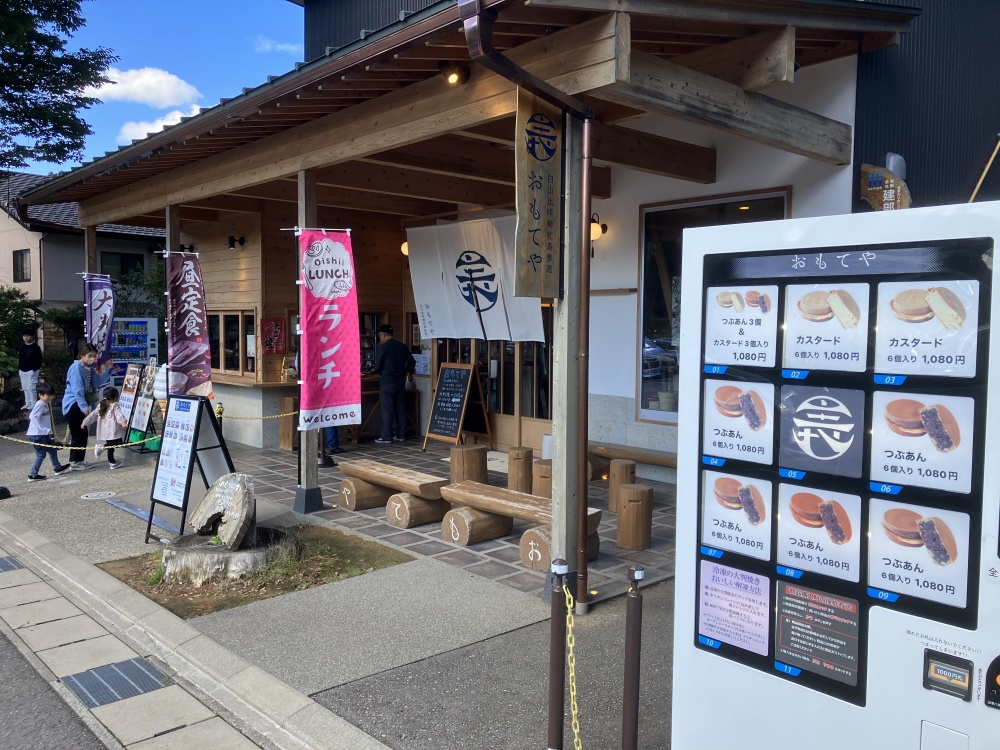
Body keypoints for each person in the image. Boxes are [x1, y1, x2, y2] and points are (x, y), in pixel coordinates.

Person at [62, 343, 107, 470]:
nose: (92, 359)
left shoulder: (89, 368)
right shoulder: (76, 368)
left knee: (82, 433)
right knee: (78, 433)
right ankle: (75, 462)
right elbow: (77, 390)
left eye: (94, 356)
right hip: (74, 404)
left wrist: (107, 369)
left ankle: (78, 460)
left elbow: (98, 382)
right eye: (89, 356)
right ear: (81, 355)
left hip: (81, 403)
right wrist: (84, 407)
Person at [374, 324, 415, 444]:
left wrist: (380, 372)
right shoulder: (402, 346)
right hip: (400, 381)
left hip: (387, 382)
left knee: (387, 410)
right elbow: (412, 361)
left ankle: (386, 436)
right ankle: (401, 435)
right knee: (400, 408)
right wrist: (408, 371)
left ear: (382, 335)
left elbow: (378, 365)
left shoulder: (383, 347)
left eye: (380, 335)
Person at [26, 383, 70, 482]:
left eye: (52, 395)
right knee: (41, 454)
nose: (50, 397)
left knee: (52, 450)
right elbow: (32, 417)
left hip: (44, 434)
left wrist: (47, 432)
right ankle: (33, 474)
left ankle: (57, 467)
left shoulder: (45, 404)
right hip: (38, 434)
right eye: (48, 395)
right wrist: (43, 429)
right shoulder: (40, 404)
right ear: (40, 395)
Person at [82, 386, 128, 470]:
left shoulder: (101, 404)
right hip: (112, 429)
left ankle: (112, 462)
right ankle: (101, 447)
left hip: (104, 430)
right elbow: (119, 415)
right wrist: (123, 422)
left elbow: (92, 415)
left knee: (111, 446)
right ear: (115, 396)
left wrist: (85, 422)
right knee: (118, 442)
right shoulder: (115, 405)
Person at [18, 329, 42, 411]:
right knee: (24, 387)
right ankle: (27, 403)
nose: (26, 338)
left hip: (32, 370)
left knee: (31, 387)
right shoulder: (22, 347)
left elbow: (39, 360)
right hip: (22, 369)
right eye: (24, 336)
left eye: (28, 336)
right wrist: (20, 368)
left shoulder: (36, 347)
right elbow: (20, 358)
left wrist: (34, 369)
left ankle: (33, 403)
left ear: (32, 337)